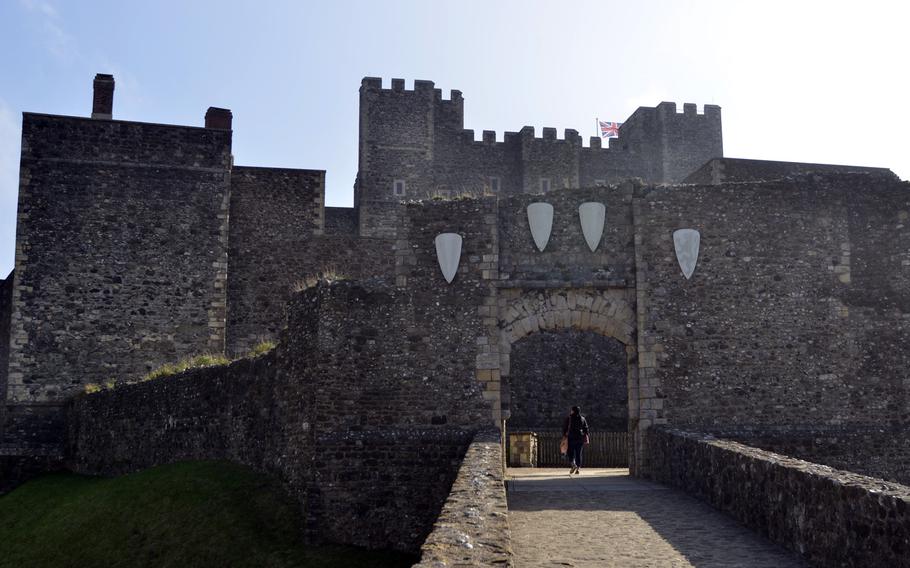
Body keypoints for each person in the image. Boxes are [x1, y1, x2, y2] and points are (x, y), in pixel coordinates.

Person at [562, 406, 589, 475]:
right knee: (578, 454)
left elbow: (565, 428)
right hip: (580, 439)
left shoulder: (569, 418)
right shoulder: (582, 419)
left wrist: (564, 435)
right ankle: (578, 468)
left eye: (571, 410)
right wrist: (584, 434)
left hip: (571, 438)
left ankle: (573, 464)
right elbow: (586, 428)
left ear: (573, 411)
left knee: (570, 452)